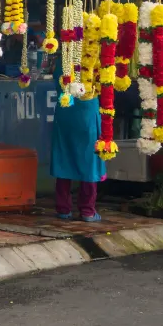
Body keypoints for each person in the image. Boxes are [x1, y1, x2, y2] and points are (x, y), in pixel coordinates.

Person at [50, 54, 105, 222]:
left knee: (64, 155)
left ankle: (63, 209)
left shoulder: (65, 54)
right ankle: (87, 210)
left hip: (66, 112)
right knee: (90, 159)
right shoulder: (94, 54)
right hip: (87, 113)